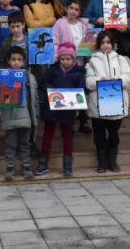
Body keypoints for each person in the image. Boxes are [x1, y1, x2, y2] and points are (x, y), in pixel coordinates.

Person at [35, 42, 86, 177]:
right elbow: (42, 83)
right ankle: (43, 163)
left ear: (73, 59)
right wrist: (50, 89)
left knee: (67, 133)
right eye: (62, 59)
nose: (65, 61)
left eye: (68, 59)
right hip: (51, 107)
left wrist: (74, 96)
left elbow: (81, 89)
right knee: (48, 132)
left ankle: (67, 163)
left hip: (68, 109)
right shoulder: (53, 70)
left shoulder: (78, 73)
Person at [85, 30, 130, 173]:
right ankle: (101, 162)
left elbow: (128, 77)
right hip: (98, 104)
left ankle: (112, 161)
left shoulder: (120, 59)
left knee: (113, 134)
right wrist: (101, 81)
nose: (105, 45)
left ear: (112, 44)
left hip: (116, 102)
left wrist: (117, 81)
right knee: (99, 134)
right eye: (102, 42)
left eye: (108, 42)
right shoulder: (92, 61)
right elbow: (88, 81)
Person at [51, 0, 92, 136]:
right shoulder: (59, 23)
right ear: (66, 8)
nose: (73, 11)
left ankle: (83, 120)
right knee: (69, 92)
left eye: (77, 9)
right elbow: (55, 42)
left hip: (81, 62)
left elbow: (91, 42)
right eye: (71, 8)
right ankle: (69, 123)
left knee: (82, 91)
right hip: (66, 63)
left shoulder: (84, 25)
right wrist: (56, 59)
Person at [0, 46, 40, 181]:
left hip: (25, 116)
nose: (16, 62)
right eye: (13, 59)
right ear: (8, 60)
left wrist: (34, 116)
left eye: (19, 60)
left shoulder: (28, 77)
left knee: (25, 144)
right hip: (9, 117)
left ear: (23, 61)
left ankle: (26, 167)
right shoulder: (3, 76)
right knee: (10, 144)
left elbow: (33, 98)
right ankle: (10, 169)